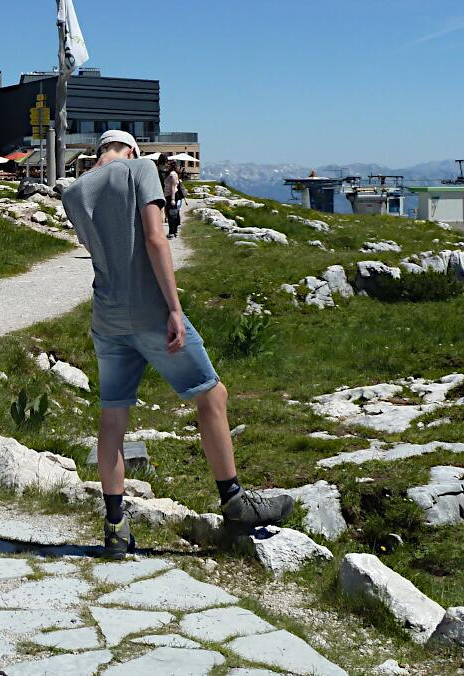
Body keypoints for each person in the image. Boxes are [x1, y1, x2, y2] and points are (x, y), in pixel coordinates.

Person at [62, 130, 292, 558]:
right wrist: (173, 307)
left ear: (99, 152)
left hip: (107, 316)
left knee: (113, 420)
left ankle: (115, 527)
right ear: (130, 150)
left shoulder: (74, 191)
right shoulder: (141, 169)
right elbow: (154, 238)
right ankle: (233, 499)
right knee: (211, 393)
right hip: (150, 309)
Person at [163, 161, 184, 239]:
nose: (166, 165)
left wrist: (172, 199)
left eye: (167, 164)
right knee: (173, 214)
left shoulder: (172, 174)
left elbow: (173, 187)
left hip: (172, 196)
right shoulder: (171, 173)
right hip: (171, 195)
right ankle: (174, 232)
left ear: (171, 166)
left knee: (171, 215)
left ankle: (172, 233)